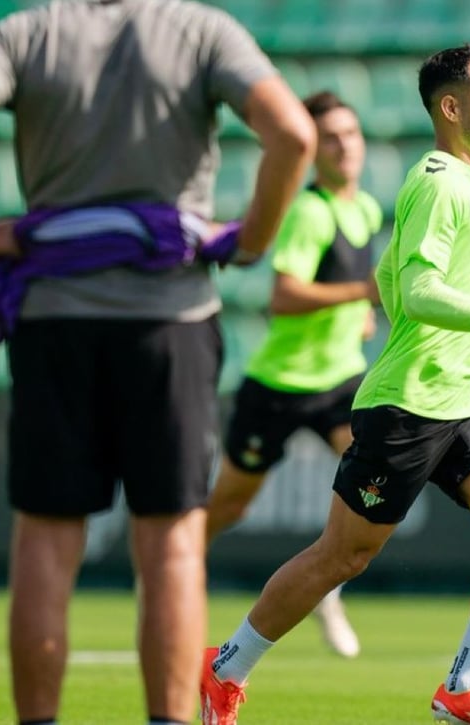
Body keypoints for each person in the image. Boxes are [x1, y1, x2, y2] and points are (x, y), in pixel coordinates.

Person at [0, 1, 316, 723]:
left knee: (47, 536)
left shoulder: (26, 32)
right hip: (171, 323)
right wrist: (249, 242)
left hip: (54, 321)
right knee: (173, 543)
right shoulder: (201, 30)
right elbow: (293, 133)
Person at [199, 44, 470, 725]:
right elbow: (425, 289)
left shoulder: (461, 183)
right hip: (407, 406)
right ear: (451, 107)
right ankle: (224, 668)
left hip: (466, 401)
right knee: (343, 555)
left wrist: (402, 307)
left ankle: (464, 687)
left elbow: (394, 280)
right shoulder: (437, 180)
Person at [206, 90, 382, 659]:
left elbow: (345, 285)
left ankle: (323, 586)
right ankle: (169, 566)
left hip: (341, 383)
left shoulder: (367, 209)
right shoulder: (309, 212)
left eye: (349, 133)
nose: (343, 145)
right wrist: (360, 295)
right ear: (312, 150)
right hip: (280, 385)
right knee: (229, 505)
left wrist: (356, 315)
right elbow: (284, 296)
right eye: (329, 136)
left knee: (373, 479)